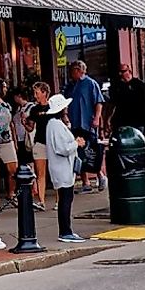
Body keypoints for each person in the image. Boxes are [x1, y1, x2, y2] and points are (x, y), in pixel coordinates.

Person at [43, 92, 84, 241]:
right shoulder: (55, 125)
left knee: (66, 198)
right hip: (62, 168)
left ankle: (67, 230)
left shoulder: (55, 124)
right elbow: (62, 148)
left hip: (62, 168)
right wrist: (76, 144)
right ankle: (65, 231)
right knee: (65, 199)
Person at [64, 60, 104, 188]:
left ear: (78, 70)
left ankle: (100, 175)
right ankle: (85, 181)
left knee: (91, 150)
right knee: (79, 152)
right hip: (75, 123)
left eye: (73, 71)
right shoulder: (70, 86)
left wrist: (97, 118)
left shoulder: (90, 83)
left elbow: (98, 102)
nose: (71, 74)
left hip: (88, 122)